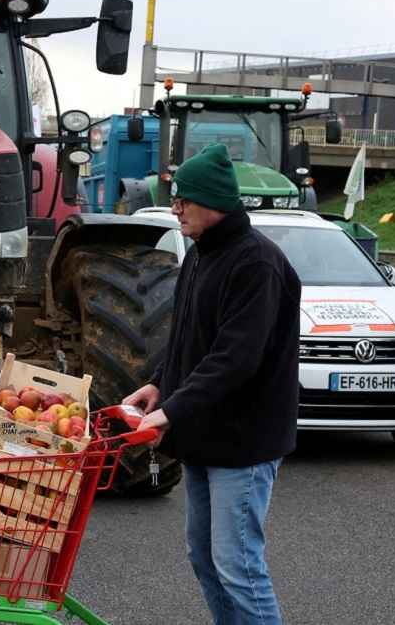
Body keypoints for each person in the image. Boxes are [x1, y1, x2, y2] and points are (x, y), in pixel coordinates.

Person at [123, 144, 301, 625]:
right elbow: (189, 338)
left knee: (239, 567)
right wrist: (160, 385)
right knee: (205, 560)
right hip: (204, 438)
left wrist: (170, 413)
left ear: (215, 202)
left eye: (184, 199)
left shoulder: (256, 264)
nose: (175, 207)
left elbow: (235, 359)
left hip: (243, 441)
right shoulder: (201, 255)